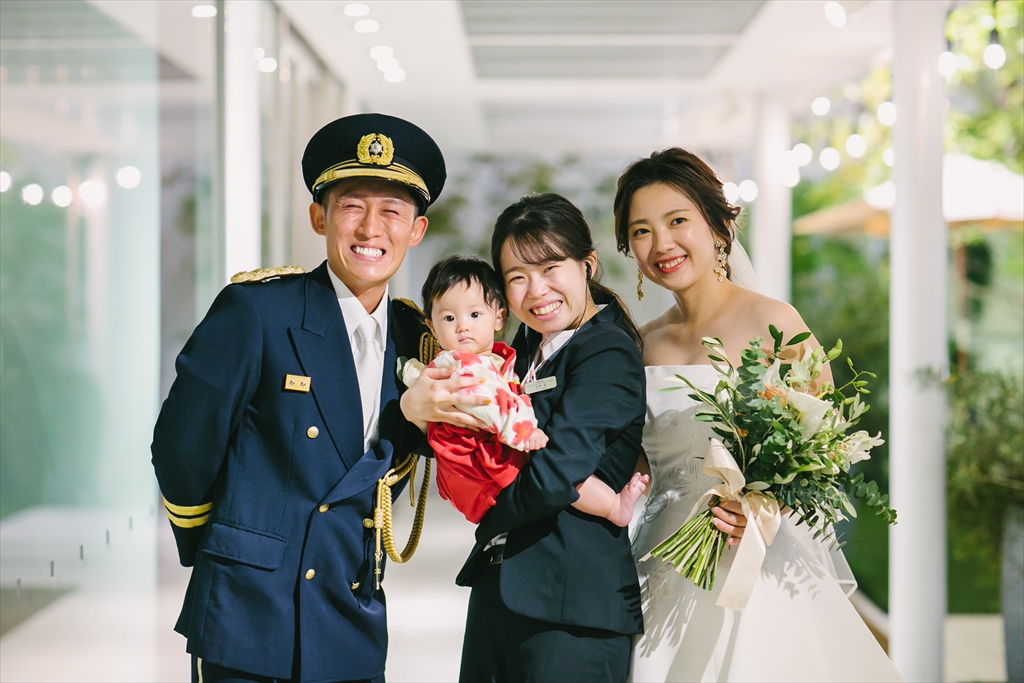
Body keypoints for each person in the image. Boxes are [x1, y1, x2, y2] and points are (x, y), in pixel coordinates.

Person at [151, 113, 477, 683]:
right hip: (250, 610)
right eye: (352, 206)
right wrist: (233, 548)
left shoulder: (416, 337)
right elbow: (183, 447)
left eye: (392, 211)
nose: (371, 228)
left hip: (350, 605)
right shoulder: (258, 311)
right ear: (319, 217)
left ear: (416, 229)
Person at [614, 147, 903, 682]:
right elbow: (637, 466)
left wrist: (766, 507)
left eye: (677, 221)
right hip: (663, 556)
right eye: (641, 231)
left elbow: (826, 444)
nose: (662, 244)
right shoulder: (641, 344)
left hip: (759, 555)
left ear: (717, 225)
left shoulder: (775, 322)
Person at [406, 255, 648, 526]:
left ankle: (612, 506)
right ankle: (612, 506)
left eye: (474, 315)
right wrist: (523, 431)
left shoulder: (498, 356)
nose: (463, 326)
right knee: (558, 468)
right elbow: (486, 404)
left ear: (499, 317)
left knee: (558, 468)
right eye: (449, 318)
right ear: (432, 327)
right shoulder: (461, 366)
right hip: (480, 461)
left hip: (484, 457)